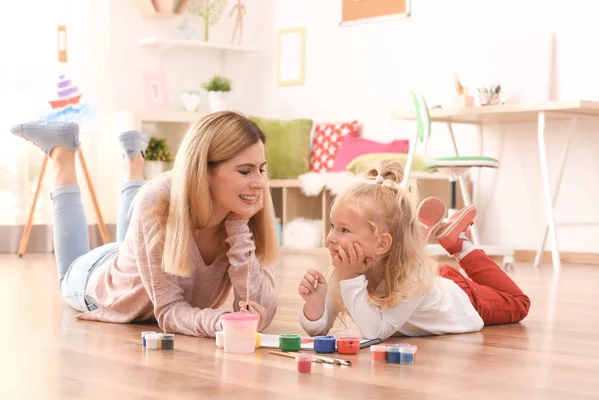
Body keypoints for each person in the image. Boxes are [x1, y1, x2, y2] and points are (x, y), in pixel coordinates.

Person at [11, 111, 280, 337]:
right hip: (98, 279)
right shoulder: (157, 200)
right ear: (204, 169)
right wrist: (219, 322)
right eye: (245, 171)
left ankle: (133, 162)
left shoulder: (243, 209)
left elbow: (261, 312)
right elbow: (169, 311)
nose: (259, 182)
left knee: (147, 208)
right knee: (67, 271)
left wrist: (239, 227)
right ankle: (62, 156)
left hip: (134, 253)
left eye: (261, 169)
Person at [297, 160, 530, 340]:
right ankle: (412, 238)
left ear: (381, 244)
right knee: (408, 265)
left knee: (519, 303)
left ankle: (461, 245)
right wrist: (315, 304)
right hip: (424, 276)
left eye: (344, 230)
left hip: (463, 299)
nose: (330, 238)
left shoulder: (403, 275)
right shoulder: (347, 268)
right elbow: (318, 332)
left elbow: (376, 332)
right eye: (332, 227)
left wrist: (351, 278)